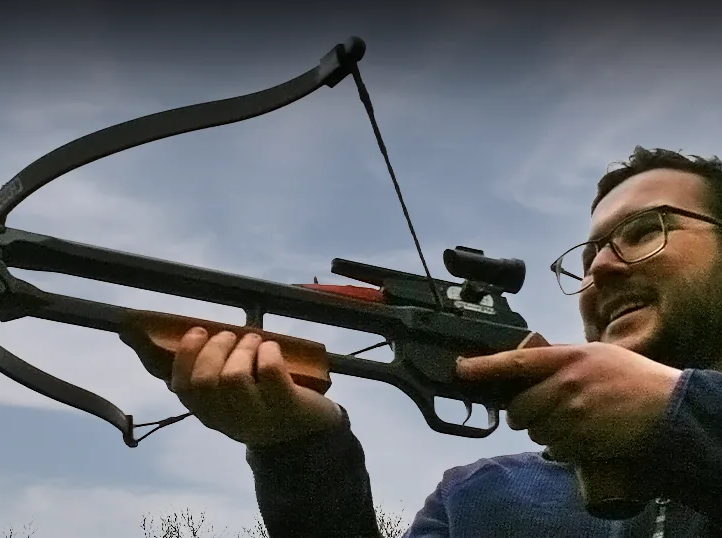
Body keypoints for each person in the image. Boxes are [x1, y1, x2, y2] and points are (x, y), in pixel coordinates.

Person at [133, 146, 722, 537]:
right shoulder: (478, 499)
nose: (602, 269)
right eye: (588, 258)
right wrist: (300, 451)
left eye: (644, 232)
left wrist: (676, 413)